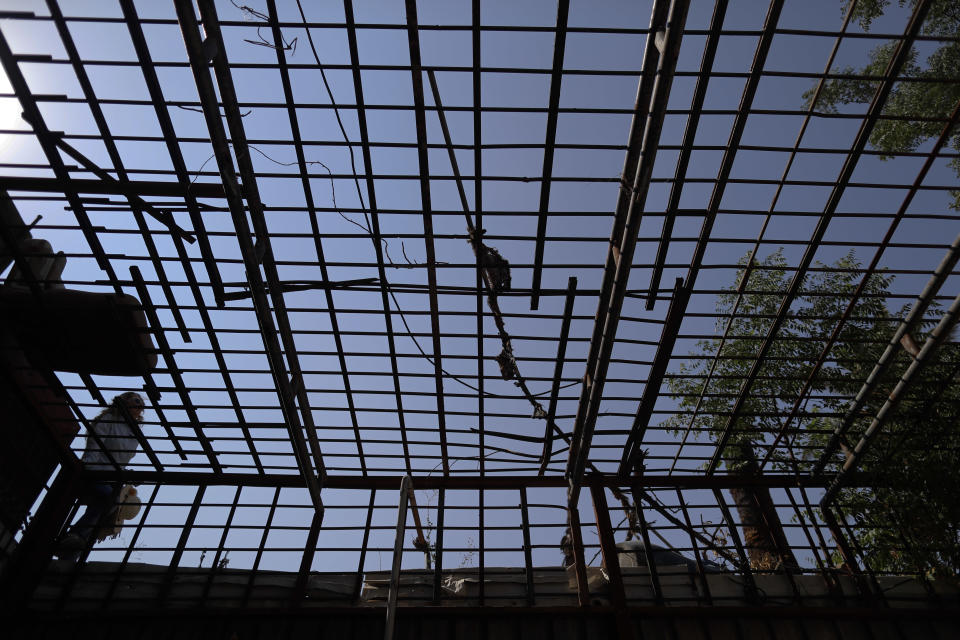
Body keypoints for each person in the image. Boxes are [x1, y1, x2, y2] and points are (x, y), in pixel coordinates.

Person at [57, 391, 145, 557]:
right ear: (124, 401)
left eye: (142, 405)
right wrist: (90, 468)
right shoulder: (109, 419)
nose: (139, 406)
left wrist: (128, 473)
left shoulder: (133, 434)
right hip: (96, 470)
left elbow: (120, 460)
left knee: (107, 504)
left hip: (112, 477)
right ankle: (75, 536)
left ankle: (73, 547)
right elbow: (95, 444)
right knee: (107, 498)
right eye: (136, 401)